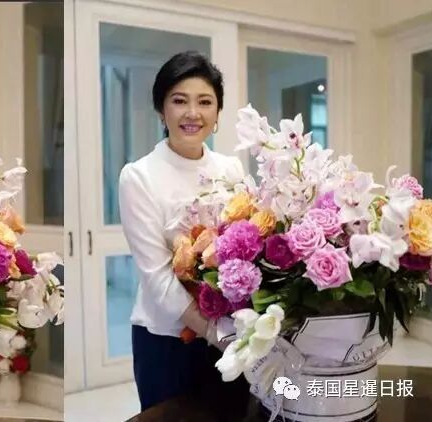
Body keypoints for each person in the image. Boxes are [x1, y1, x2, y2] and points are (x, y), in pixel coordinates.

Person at [118, 51, 250, 412]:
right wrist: (218, 334)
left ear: (218, 112)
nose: (193, 113)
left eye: (205, 102)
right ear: (161, 110)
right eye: (179, 101)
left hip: (233, 330)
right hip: (168, 341)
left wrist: (241, 332)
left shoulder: (231, 170)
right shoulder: (139, 176)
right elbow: (157, 277)